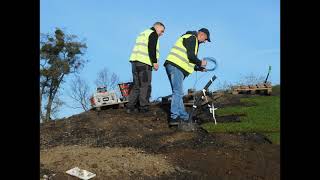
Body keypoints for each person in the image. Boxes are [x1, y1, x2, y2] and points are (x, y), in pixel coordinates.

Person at [164, 28, 211, 125]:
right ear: (201, 34)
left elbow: (187, 60)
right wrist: (200, 62)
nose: (205, 42)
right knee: (178, 92)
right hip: (176, 66)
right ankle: (174, 117)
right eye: (205, 39)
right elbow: (191, 56)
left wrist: (198, 68)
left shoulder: (190, 39)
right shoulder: (192, 38)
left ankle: (184, 116)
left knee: (178, 92)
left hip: (175, 66)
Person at [126, 22, 165, 113]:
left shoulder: (143, 33)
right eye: (162, 31)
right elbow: (151, 48)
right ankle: (143, 107)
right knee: (145, 85)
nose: (162, 34)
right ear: (157, 27)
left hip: (134, 62)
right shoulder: (153, 34)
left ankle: (130, 107)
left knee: (136, 85)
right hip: (144, 63)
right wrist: (154, 62)